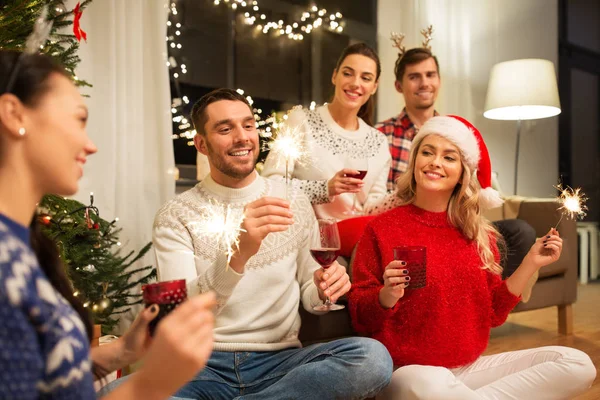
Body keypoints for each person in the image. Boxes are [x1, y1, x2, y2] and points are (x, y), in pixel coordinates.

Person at [0, 50, 216, 399]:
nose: (91, 145)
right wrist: (152, 384)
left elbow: (35, 373)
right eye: (78, 119)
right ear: (13, 114)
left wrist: (119, 353)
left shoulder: (21, 243)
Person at [152, 88, 393, 399]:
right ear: (201, 143)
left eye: (248, 125)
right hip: (201, 366)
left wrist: (322, 288)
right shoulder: (175, 215)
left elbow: (310, 290)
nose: (242, 137)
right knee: (118, 393)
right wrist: (236, 257)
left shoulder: (292, 198)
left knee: (372, 359)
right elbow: (179, 314)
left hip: (281, 363)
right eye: (225, 129)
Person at [349, 115, 596, 399]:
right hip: (409, 373)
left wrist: (531, 262)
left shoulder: (478, 233)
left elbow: (492, 313)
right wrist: (386, 295)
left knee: (577, 364)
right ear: (415, 160)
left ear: (462, 172)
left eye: (449, 157)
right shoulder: (381, 228)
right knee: (429, 385)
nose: (435, 162)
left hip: (468, 369)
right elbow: (359, 317)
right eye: (427, 152)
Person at [376, 44, 536, 279]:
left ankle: (487, 307)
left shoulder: (458, 132)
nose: (424, 83)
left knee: (520, 231)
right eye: (414, 77)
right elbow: (377, 201)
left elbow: (471, 190)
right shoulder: (381, 135)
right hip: (411, 231)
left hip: (455, 226)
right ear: (399, 85)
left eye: (430, 75)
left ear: (439, 80)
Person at [261, 43, 391, 223]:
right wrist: (324, 189)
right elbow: (271, 182)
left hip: (355, 242)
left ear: (374, 87)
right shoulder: (300, 121)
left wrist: (403, 196)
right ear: (334, 76)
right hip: (306, 240)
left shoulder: (379, 142)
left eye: (366, 78)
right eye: (347, 73)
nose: (355, 83)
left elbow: (373, 207)